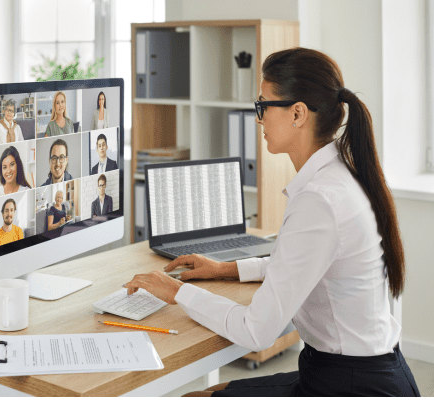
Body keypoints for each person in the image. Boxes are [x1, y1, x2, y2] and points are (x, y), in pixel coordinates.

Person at [123, 47, 420, 397]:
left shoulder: (319, 200)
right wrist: (227, 270)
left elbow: (256, 331)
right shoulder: (339, 174)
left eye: (263, 106)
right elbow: (305, 263)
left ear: (297, 114)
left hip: (351, 385)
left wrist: (176, 291)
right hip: (358, 371)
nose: (258, 118)